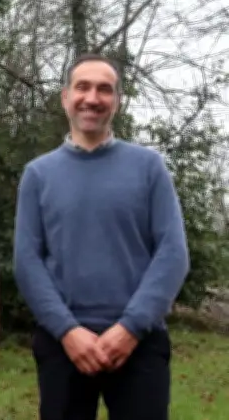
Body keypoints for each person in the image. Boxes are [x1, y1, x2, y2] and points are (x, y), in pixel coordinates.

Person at [13, 53, 190, 420]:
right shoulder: (38, 175)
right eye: (83, 87)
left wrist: (130, 328)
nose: (92, 98)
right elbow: (27, 262)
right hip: (64, 346)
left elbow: (172, 253)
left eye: (104, 89)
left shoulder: (149, 168)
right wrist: (67, 331)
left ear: (117, 101)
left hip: (139, 344)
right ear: (65, 97)